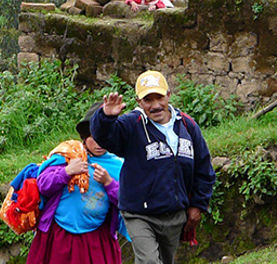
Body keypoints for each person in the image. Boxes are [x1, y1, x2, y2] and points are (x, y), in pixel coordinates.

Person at [90, 70, 216, 264]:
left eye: (160, 97)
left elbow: (204, 169)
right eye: (148, 100)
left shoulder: (187, 126)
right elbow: (105, 138)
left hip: (174, 214)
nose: (156, 105)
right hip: (138, 213)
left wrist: (198, 205)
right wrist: (106, 118)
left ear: (169, 95)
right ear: (139, 102)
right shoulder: (132, 124)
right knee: (149, 261)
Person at [25, 103, 126, 264]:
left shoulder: (119, 165)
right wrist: (66, 172)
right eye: (94, 137)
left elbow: (128, 201)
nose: (99, 143)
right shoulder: (68, 155)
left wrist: (109, 183)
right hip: (59, 235)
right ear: (85, 137)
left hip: (97, 238)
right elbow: (43, 185)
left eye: (104, 137)